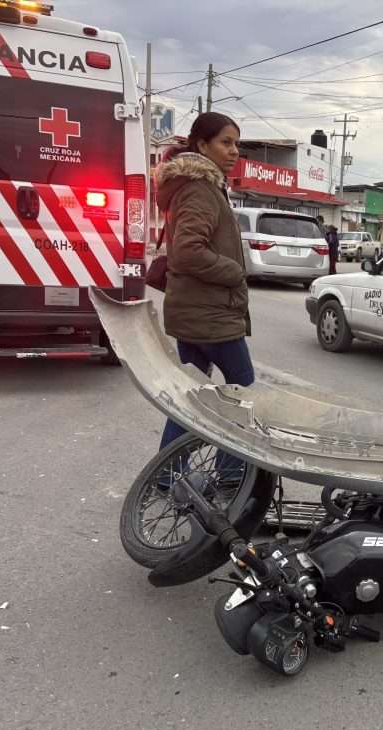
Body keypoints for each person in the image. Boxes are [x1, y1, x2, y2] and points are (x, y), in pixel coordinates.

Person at [155, 112, 253, 470]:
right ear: (202, 145)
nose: (234, 151)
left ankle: (166, 474)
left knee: (193, 395)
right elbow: (187, 252)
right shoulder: (199, 189)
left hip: (194, 310)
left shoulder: (199, 187)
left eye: (236, 144)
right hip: (208, 314)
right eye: (226, 142)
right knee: (241, 389)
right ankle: (230, 476)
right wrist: (234, 272)